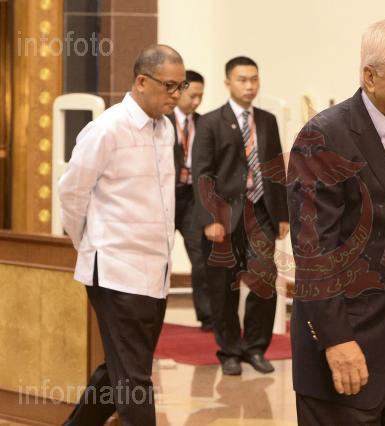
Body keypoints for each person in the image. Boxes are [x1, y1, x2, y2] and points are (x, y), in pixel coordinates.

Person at [287, 19, 385, 425]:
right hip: (348, 337)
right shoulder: (325, 136)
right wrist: (335, 339)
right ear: (370, 77)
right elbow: (314, 251)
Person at [58, 45, 186, 425]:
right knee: (135, 381)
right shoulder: (108, 128)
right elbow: (72, 192)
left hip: (155, 270)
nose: (176, 95)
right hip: (116, 270)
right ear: (142, 81)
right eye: (169, 85)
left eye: (181, 86)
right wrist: (88, 244)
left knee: (124, 368)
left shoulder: (166, 128)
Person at [192, 56, 289, 376]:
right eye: (242, 80)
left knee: (264, 278)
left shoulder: (267, 120)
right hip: (223, 215)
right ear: (228, 83)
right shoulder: (210, 122)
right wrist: (210, 219)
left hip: (260, 211)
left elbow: (275, 169)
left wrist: (283, 213)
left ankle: (255, 348)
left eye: (254, 79)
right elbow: (202, 174)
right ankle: (230, 350)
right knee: (223, 286)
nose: (249, 86)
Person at [166, 69, 213, 331]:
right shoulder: (162, 120)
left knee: (201, 255)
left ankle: (207, 316)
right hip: (166, 196)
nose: (196, 101)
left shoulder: (204, 123)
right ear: (180, 91)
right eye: (192, 95)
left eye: (200, 97)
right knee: (160, 255)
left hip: (193, 197)